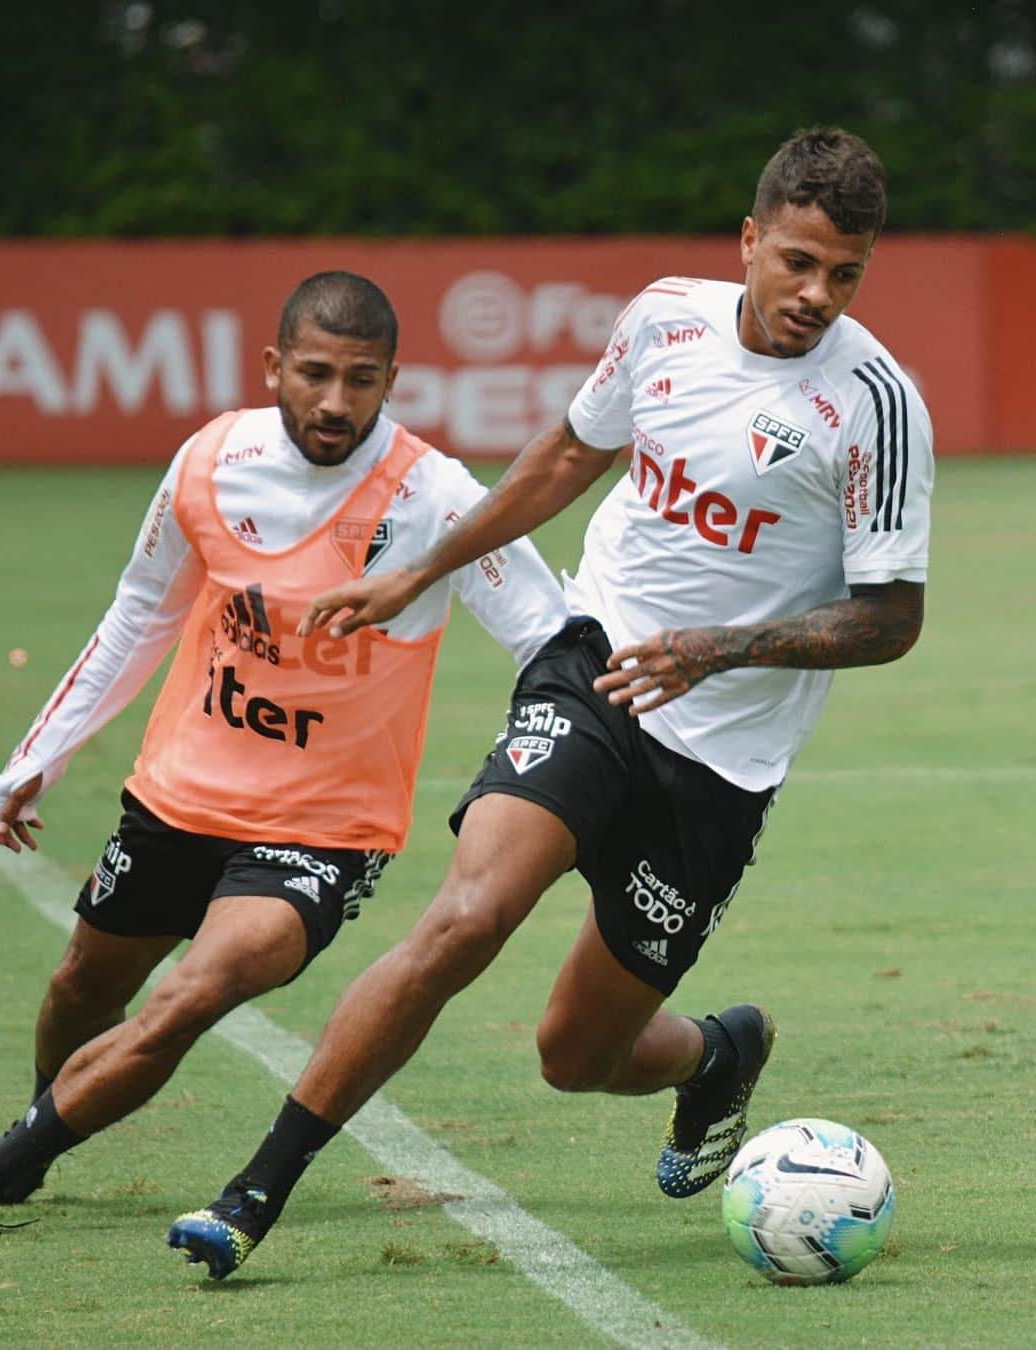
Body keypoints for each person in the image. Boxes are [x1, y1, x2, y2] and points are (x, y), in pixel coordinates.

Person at [160, 127, 934, 1282]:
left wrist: (720, 650)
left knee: (575, 1054)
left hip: (721, 765)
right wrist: (424, 566)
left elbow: (891, 618)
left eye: (845, 274)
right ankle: (254, 1191)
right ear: (748, 241)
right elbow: (568, 456)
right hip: (599, 672)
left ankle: (714, 1057)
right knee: (466, 916)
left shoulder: (875, 403)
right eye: (798, 263)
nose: (817, 295)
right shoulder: (666, 318)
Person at [0, 271, 569, 1238]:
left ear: (392, 380)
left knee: (191, 993)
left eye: (361, 380)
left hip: (323, 831)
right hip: (180, 792)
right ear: (275, 366)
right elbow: (138, 616)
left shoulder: (435, 495)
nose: (336, 402)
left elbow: (551, 636)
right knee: (85, 983)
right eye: (316, 374)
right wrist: (40, 755)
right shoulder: (211, 460)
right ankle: (49, 1120)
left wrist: (552, 763)